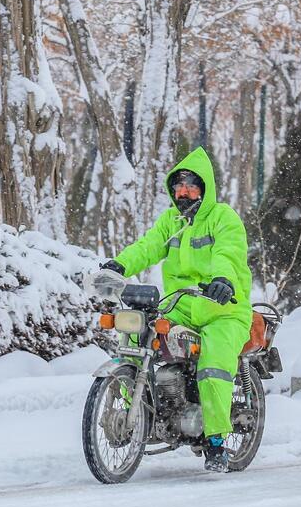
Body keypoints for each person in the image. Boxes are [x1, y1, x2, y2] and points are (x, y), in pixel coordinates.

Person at [102, 147, 253, 473]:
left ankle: (215, 442)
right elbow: (148, 245)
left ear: (206, 188)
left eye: (191, 187)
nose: (183, 193)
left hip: (223, 308)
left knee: (212, 365)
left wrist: (223, 280)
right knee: (136, 336)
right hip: (181, 305)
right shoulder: (171, 220)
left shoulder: (223, 218)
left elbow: (228, 253)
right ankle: (140, 410)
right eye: (178, 187)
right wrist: (120, 265)